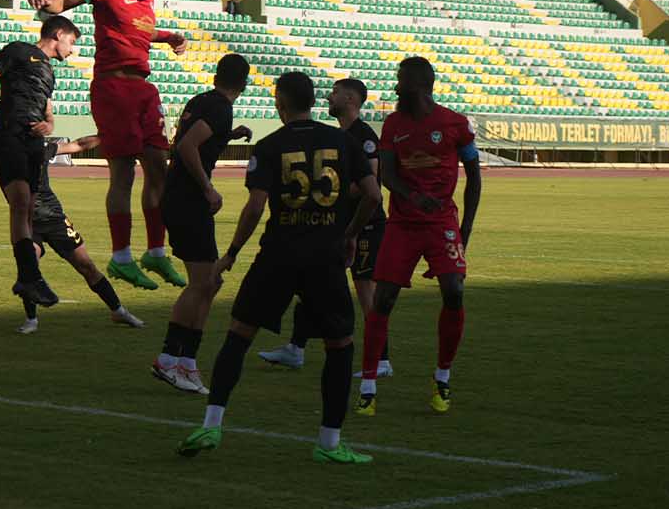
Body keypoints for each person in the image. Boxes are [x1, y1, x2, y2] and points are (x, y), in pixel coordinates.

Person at [176, 72, 380, 464]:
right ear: (314, 101)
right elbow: (372, 194)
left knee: (239, 335)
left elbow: (255, 207)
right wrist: (350, 234)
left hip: (279, 254)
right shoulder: (343, 141)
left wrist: (232, 252)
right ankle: (330, 442)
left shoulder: (270, 145)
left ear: (279, 103)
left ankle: (212, 424)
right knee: (339, 346)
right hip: (325, 257)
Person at [26, 0, 189, 292]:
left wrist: (170, 37)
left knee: (160, 168)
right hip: (113, 89)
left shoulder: (147, 3)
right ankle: (122, 258)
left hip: (144, 89)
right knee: (124, 173)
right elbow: (64, 3)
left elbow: (140, 33)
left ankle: (156, 251)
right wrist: (45, 0)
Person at [356, 56, 481, 417]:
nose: (396, 86)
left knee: (455, 292)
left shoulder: (455, 124)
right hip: (403, 224)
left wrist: (466, 227)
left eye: (402, 81)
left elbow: (474, 175)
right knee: (384, 300)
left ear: (421, 85)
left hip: (442, 223)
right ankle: (368, 387)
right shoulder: (394, 124)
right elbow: (387, 176)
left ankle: (442, 377)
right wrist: (412, 197)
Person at [260, 78, 392, 377]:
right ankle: (296, 348)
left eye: (335, 93)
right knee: (313, 282)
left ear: (349, 99)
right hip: (338, 226)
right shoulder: (337, 136)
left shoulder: (363, 136)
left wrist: (329, 194)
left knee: (365, 293)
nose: (329, 98)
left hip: (365, 225)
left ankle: (381, 360)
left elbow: (370, 182)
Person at [152, 54, 252, 394]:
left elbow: (196, 138)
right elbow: (187, 146)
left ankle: (186, 362)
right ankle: (170, 360)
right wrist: (208, 188)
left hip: (179, 198)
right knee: (203, 284)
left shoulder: (203, 101)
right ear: (244, 84)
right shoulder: (220, 108)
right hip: (188, 201)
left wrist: (229, 134)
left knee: (209, 284)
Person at [0, 15, 81, 310]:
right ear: (58, 34)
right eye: (72, 42)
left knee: (28, 209)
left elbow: (48, 112)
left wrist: (49, 125)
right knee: (20, 203)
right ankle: (30, 276)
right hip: (10, 135)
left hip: (32, 142)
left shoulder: (49, 72)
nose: (73, 50)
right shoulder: (19, 49)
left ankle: (26, 277)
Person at [15, 134, 145, 335]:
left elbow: (78, 145)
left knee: (87, 266)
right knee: (29, 265)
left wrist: (106, 133)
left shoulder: (43, 149)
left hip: (54, 219)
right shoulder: (6, 157)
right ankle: (31, 319)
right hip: (27, 223)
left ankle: (118, 310)